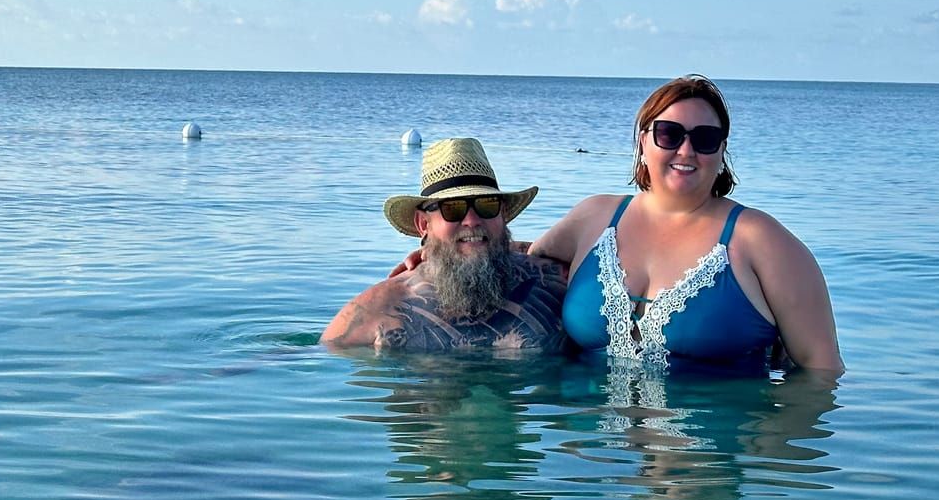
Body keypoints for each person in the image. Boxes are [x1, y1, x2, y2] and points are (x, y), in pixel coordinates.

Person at [530, 74, 843, 373]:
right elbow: (533, 255)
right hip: (586, 427)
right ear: (643, 142)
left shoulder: (762, 241)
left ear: (722, 151)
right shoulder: (593, 218)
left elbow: (822, 372)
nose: (685, 150)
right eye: (669, 133)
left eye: (705, 139)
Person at [322, 137, 569, 352]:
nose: (472, 221)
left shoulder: (555, 280)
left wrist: (529, 248)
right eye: (453, 208)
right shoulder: (379, 309)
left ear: (502, 214)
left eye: (487, 205)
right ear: (423, 224)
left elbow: (603, 229)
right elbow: (312, 364)